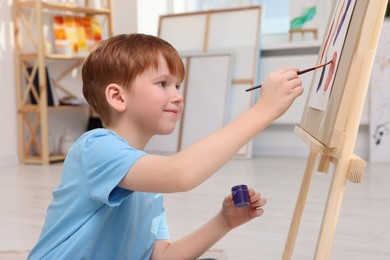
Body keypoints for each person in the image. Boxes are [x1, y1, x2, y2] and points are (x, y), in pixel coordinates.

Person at [28, 33, 303, 259]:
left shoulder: (146, 180)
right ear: (117, 96)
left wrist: (224, 221)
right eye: (163, 83)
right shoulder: (96, 148)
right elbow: (181, 174)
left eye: (178, 86)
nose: (178, 96)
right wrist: (263, 111)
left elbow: (162, 257)